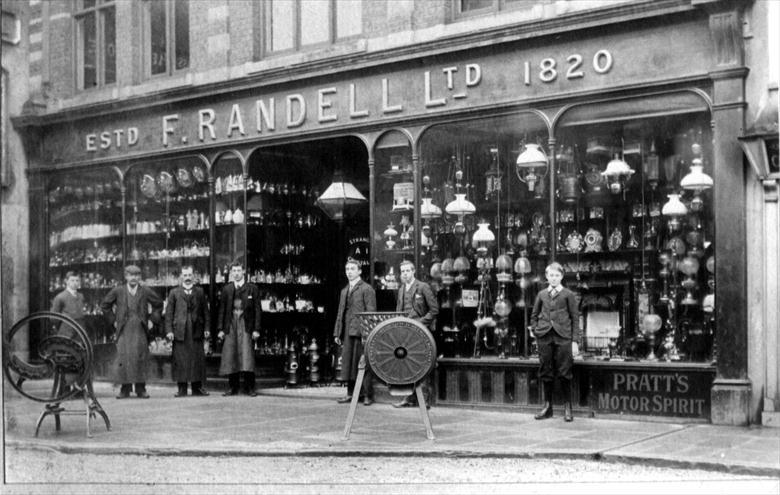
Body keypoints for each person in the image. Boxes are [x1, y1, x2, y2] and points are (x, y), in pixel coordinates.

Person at [101, 265, 163, 399]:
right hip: (124, 328)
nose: (133, 278)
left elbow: (158, 304)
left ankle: (141, 389)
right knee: (124, 357)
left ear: (140, 277)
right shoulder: (118, 291)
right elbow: (105, 305)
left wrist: (152, 319)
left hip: (140, 328)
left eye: (136, 275)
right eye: (131, 275)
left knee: (141, 356)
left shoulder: (145, 291)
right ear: (126, 276)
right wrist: (113, 321)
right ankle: (125, 389)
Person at [529, 262, 580, 422]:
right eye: (551, 275)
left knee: (565, 371)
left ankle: (567, 407)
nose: (554, 278)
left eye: (557, 275)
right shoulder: (542, 294)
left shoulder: (568, 295)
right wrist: (537, 331)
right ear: (547, 276)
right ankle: (548, 407)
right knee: (546, 371)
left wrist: (574, 341)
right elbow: (534, 314)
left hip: (563, 337)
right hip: (544, 337)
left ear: (562, 277)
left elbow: (575, 318)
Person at [393, 260, 438, 408]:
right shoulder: (401, 290)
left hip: (421, 332)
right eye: (403, 271)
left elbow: (434, 310)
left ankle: (424, 400)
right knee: (406, 364)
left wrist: (421, 322)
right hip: (405, 333)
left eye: (407, 271)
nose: (405, 274)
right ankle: (408, 398)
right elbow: (398, 311)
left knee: (422, 364)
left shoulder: (423, 287)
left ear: (413, 272)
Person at [333, 258, 377, 406]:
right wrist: (337, 333)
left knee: (362, 363)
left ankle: (367, 395)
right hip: (347, 331)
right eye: (347, 269)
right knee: (348, 364)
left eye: (352, 269)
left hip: (361, 331)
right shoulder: (344, 290)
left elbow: (371, 313)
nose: (349, 272)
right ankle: (351, 394)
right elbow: (340, 313)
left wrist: (368, 332)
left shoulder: (366, 289)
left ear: (359, 271)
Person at [165, 265, 210, 398]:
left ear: (193, 276)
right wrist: (169, 331)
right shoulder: (174, 293)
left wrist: (207, 329)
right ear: (181, 277)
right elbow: (169, 314)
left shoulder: (200, 292)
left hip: (196, 329)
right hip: (180, 330)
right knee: (181, 359)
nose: (187, 278)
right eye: (185, 275)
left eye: (190, 275)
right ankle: (182, 388)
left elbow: (206, 313)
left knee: (197, 358)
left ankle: (197, 388)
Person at [217, 262, 261, 396]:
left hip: (246, 324)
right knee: (231, 354)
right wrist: (221, 329)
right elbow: (222, 310)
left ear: (243, 272)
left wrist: (256, 329)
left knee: (247, 355)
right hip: (231, 324)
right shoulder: (227, 289)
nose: (236, 273)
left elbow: (257, 310)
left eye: (238, 270)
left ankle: (250, 387)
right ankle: (233, 387)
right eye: (234, 271)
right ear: (231, 273)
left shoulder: (252, 289)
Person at [50, 271, 86, 339]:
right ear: (66, 281)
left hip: (80, 334)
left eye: (77, 280)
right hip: (66, 334)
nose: (75, 283)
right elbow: (54, 318)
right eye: (72, 280)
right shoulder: (60, 297)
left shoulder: (81, 296)